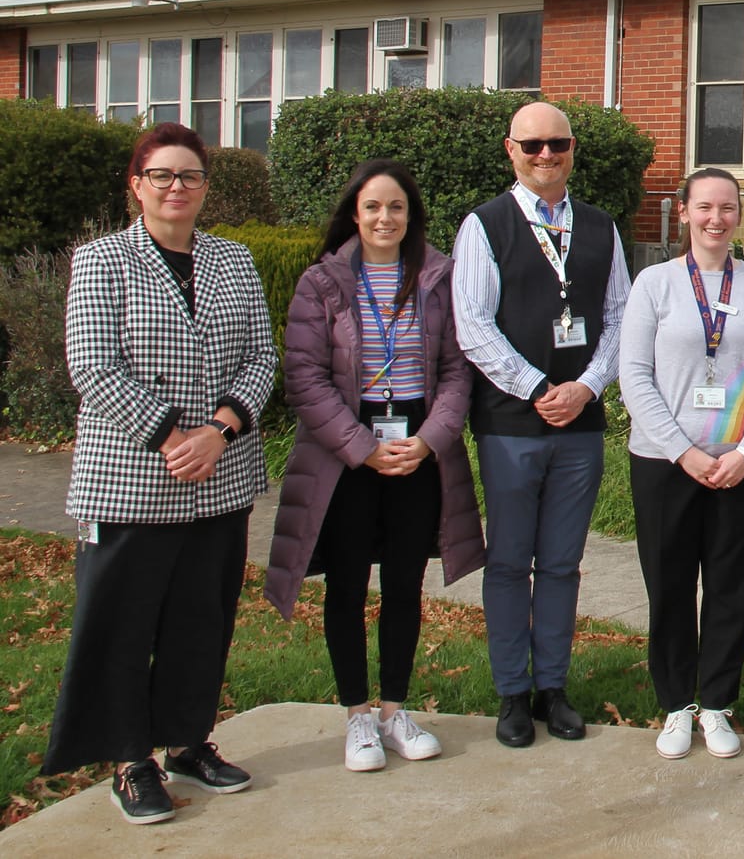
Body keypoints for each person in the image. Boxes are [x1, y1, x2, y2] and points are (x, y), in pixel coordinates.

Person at [43, 123, 278, 825]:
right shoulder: (101, 261)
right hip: (134, 480)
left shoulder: (233, 261)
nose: (177, 188)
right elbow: (91, 364)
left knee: (200, 621)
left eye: (190, 176)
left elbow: (262, 357)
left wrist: (218, 432)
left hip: (219, 478)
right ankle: (130, 758)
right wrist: (175, 436)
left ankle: (186, 740)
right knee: (122, 624)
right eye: (162, 175)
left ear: (206, 187)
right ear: (136, 185)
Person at [265, 159, 485, 772]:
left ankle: (394, 711)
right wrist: (361, 445)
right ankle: (357, 715)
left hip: (417, 448)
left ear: (410, 215)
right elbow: (304, 378)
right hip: (346, 454)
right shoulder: (322, 284)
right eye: (372, 207)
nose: (384, 218)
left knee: (406, 586)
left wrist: (430, 439)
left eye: (396, 207)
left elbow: (455, 372)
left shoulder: (438, 279)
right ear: (354, 214)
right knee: (346, 586)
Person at [453, 101, 630, 748]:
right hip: (509, 425)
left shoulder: (600, 226)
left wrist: (585, 386)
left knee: (560, 563)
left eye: (557, 143)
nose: (546, 154)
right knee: (507, 562)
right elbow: (472, 322)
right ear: (511, 150)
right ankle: (510, 692)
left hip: (579, 426)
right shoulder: (484, 225)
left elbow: (619, 316)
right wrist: (535, 388)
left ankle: (552, 686)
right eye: (532, 145)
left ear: (573, 148)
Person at [619, 168, 744, 763]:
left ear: (737, 215)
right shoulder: (655, 284)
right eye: (704, 208)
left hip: (741, 468)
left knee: (731, 587)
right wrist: (683, 451)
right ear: (685, 212)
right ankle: (675, 705)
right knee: (668, 585)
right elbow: (633, 376)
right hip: (666, 463)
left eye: (726, 209)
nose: (715, 219)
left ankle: (716, 703)